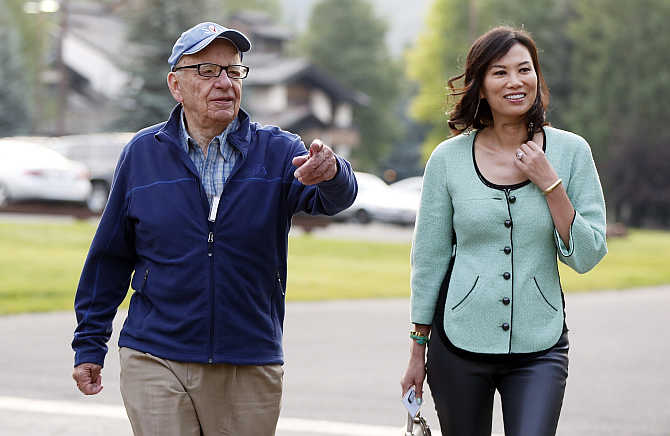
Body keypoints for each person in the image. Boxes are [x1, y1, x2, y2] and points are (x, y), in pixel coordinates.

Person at [71, 22, 357, 436]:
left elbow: (334, 200)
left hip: (249, 358)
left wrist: (333, 173)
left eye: (232, 71)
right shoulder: (142, 155)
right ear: (176, 85)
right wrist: (88, 344)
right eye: (206, 71)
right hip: (155, 353)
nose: (223, 82)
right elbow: (110, 258)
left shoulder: (278, 151)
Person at [400, 26, 607, 436]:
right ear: (479, 86)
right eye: (500, 72)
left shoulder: (572, 152)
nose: (515, 81)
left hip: (541, 347)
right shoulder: (447, 160)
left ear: (537, 77)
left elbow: (587, 254)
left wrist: (550, 184)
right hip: (457, 345)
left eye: (524, 69)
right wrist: (416, 352)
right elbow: (429, 260)